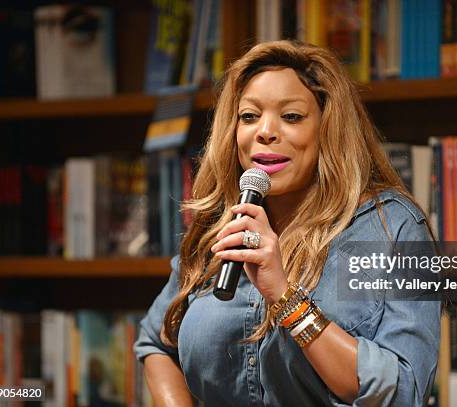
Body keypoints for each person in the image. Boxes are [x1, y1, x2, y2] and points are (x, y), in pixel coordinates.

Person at [134, 40, 440, 406]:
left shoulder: (394, 229)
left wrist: (285, 296)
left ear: (328, 128)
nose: (265, 131)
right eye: (249, 116)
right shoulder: (221, 226)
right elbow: (155, 343)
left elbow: (404, 390)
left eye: (291, 116)